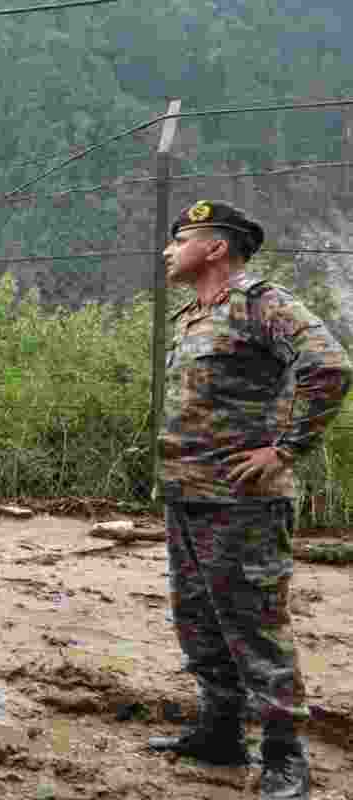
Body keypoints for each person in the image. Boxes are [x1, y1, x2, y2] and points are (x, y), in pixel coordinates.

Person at [146, 201, 350, 800]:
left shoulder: (261, 303)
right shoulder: (192, 316)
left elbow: (330, 368)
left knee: (254, 624)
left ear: (214, 248)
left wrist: (283, 450)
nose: (166, 250)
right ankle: (221, 731)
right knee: (198, 618)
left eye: (179, 239)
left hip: (243, 501)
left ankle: (286, 756)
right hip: (189, 492)